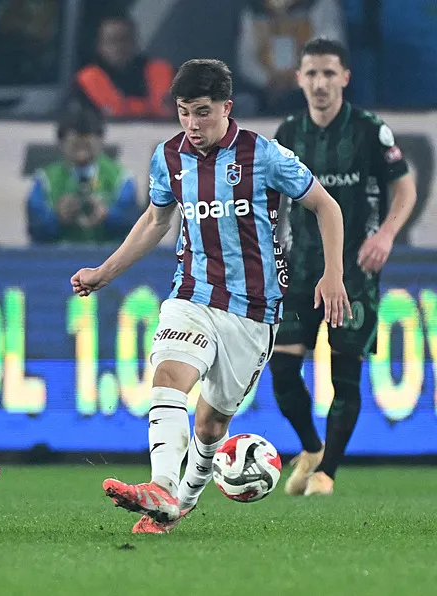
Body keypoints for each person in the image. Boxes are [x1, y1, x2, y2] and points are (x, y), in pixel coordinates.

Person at [70, 59, 349, 534]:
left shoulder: (264, 156)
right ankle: (160, 485)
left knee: (211, 426)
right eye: (183, 112)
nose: (192, 125)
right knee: (168, 373)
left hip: (253, 310)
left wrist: (334, 275)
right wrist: (105, 271)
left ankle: (178, 504)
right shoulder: (168, 158)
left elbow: (326, 205)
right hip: (192, 293)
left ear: (227, 107)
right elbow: (157, 221)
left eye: (202, 112)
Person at [268, 38, 416, 496]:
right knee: (282, 370)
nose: (320, 83)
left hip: (353, 271)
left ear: (345, 78)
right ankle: (311, 447)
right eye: (311, 73)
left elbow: (404, 188)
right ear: (298, 79)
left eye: (329, 73)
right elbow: (270, 198)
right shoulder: (288, 133)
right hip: (300, 268)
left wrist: (386, 234)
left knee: (344, 375)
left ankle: (326, 473)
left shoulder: (371, 131)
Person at [27, 104, 140, 244]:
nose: (81, 155)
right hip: (58, 259)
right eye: (75, 146)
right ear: (61, 144)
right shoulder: (45, 180)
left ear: (100, 141)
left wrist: (107, 216)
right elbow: (34, 228)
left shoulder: (121, 179)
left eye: (87, 146)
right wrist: (57, 217)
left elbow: (134, 227)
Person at [74, 14, 174, 119]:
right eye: (112, 40)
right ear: (99, 46)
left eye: (125, 39)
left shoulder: (165, 73)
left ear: (135, 42)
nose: (119, 46)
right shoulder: (84, 83)